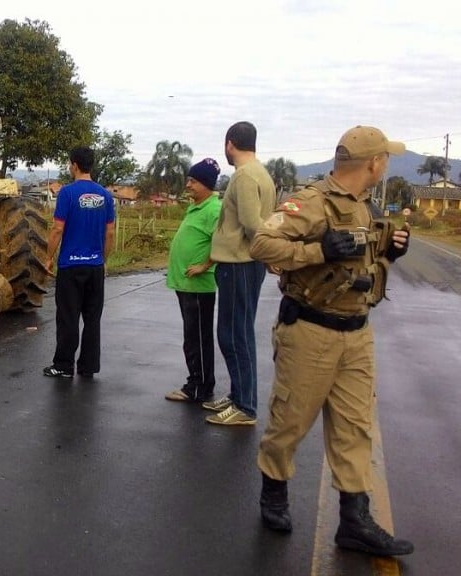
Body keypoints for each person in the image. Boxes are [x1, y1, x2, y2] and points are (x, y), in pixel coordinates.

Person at [250, 126, 413, 556]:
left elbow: (359, 261)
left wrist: (388, 253)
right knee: (289, 422)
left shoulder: (364, 207)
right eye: (386, 159)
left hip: (356, 334)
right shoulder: (310, 201)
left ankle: (354, 519)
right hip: (310, 332)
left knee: (355, 427)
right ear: (374, 163)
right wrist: (317, 251)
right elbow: (261, 243)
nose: (387, 165)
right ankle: (274, 494)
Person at [203, 121, 277, 426]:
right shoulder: (260, 173)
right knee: (233, 333)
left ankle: (245, 406)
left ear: (229, 143)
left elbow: (251, 224)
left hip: (240, 264)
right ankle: (237, 396)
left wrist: (271, 253)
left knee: (236, 335)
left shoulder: (245, 176)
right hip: (241, 264)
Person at [43, 146, 116, 378]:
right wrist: (102, 260)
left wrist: (48, 258)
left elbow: (57, 229)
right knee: (92, 319)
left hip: (70, 266)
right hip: (94, 267)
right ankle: (88, 367)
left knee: (68, 317)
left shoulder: (67, 193)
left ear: (74, 164)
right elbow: (110, 233)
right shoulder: (105, 195)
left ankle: (64, 366)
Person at [164, 158, 222, 403]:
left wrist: (204, 265)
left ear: (207, 184)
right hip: (186, 284)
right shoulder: (197, 206)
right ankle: (198, 382)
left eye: (193, 181)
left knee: (197, 337)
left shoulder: (214, 210)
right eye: (189, 180)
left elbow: (222, 243)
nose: (188, 185)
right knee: (192, 336)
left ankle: (198, 386)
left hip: (199, 286)